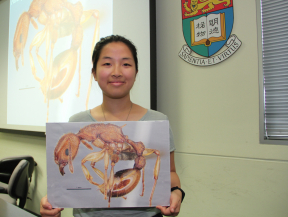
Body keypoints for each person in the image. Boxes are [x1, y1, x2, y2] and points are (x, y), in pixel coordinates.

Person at [40, 35, 184, 217]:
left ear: (136, 71)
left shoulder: (157, 121)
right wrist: (52, 201)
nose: (117, 71)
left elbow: (170, 173)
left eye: (126, 64)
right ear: (94, 72)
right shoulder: (77, 122)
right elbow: (70, 179)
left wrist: (177, 193)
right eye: (107, 64)